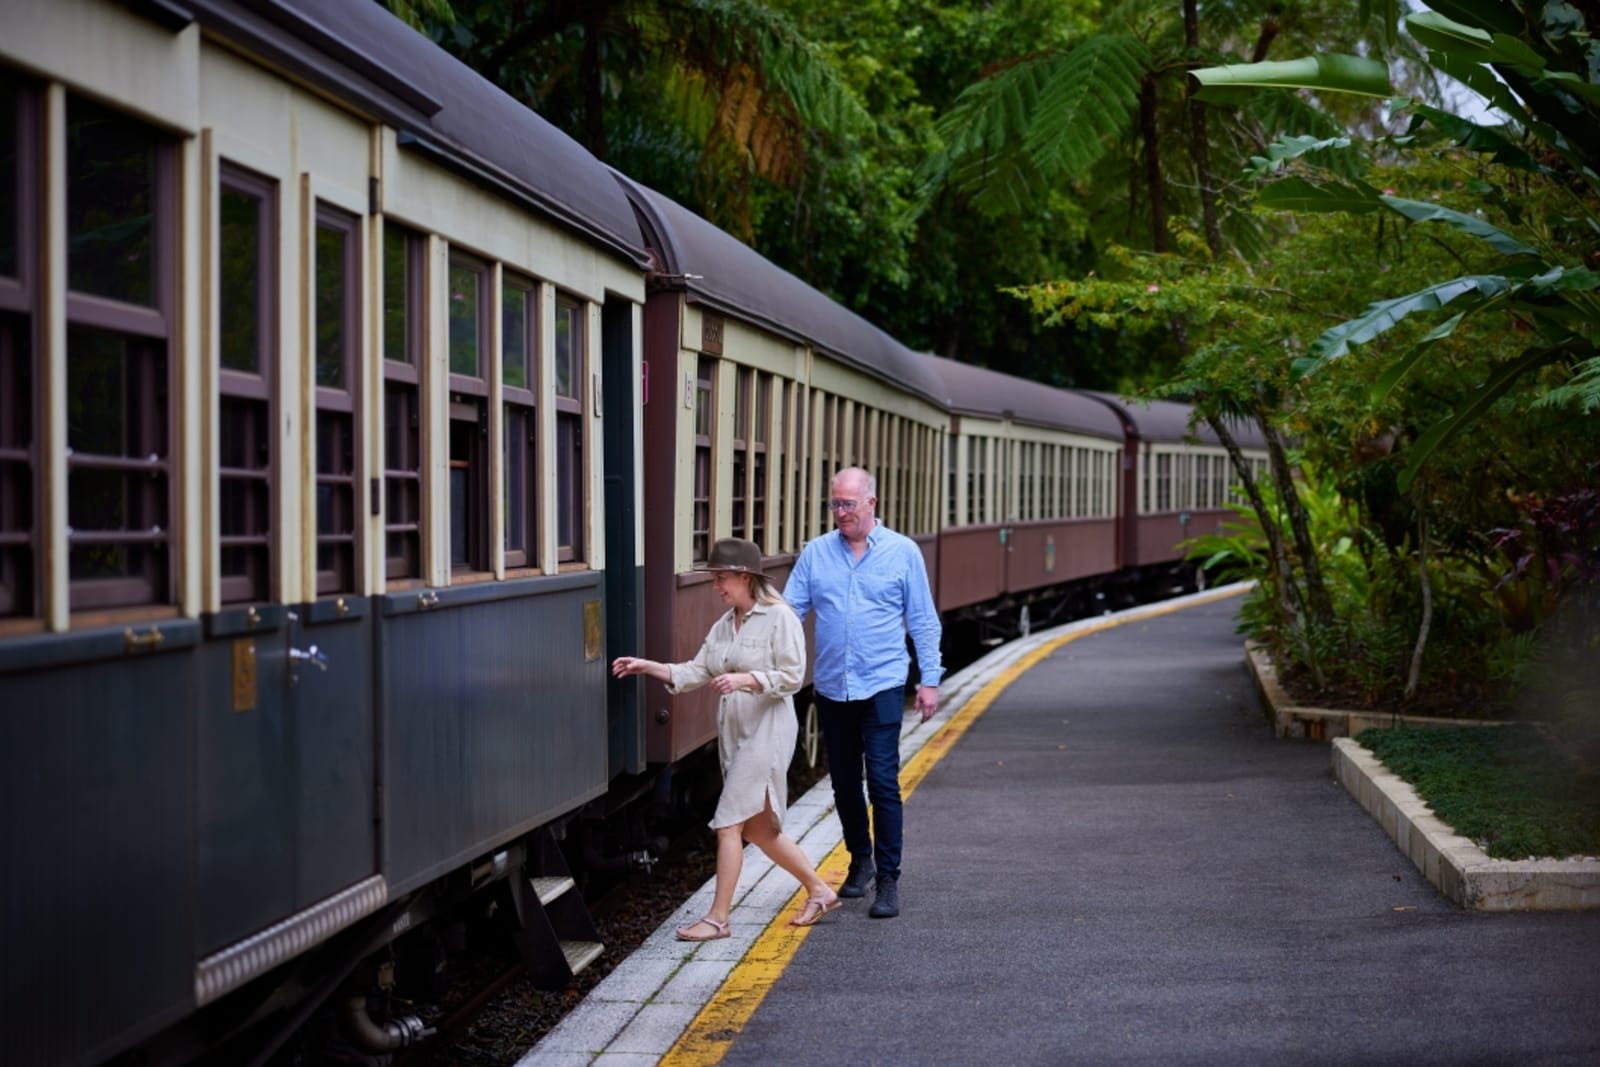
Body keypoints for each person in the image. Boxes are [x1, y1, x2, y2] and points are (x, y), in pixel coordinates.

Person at [612, 538, 841, 940]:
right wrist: (649, 667)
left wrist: (748, 679)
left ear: (745, 577)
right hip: (736, 733)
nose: (715, 586)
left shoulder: (779, 617)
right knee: (760, 832)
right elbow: (696, 671)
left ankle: (718, 919)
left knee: (728, 825)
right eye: (714, 579)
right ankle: (820, 891)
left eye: (721, 579)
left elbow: (792, 676)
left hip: (768, 731)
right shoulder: (724, 624)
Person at [784, 466, 942, 919]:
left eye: (848, 504)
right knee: (844, 784)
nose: (840, 513)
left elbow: (924, 620)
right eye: (834, 504)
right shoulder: (816, 554)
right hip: (833, 686)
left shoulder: (902, 552)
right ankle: (860, 861)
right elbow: (789, 612)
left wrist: (928, 680)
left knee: (884, 782)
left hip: (884, 683)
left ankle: (888, 880)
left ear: (871, 503)